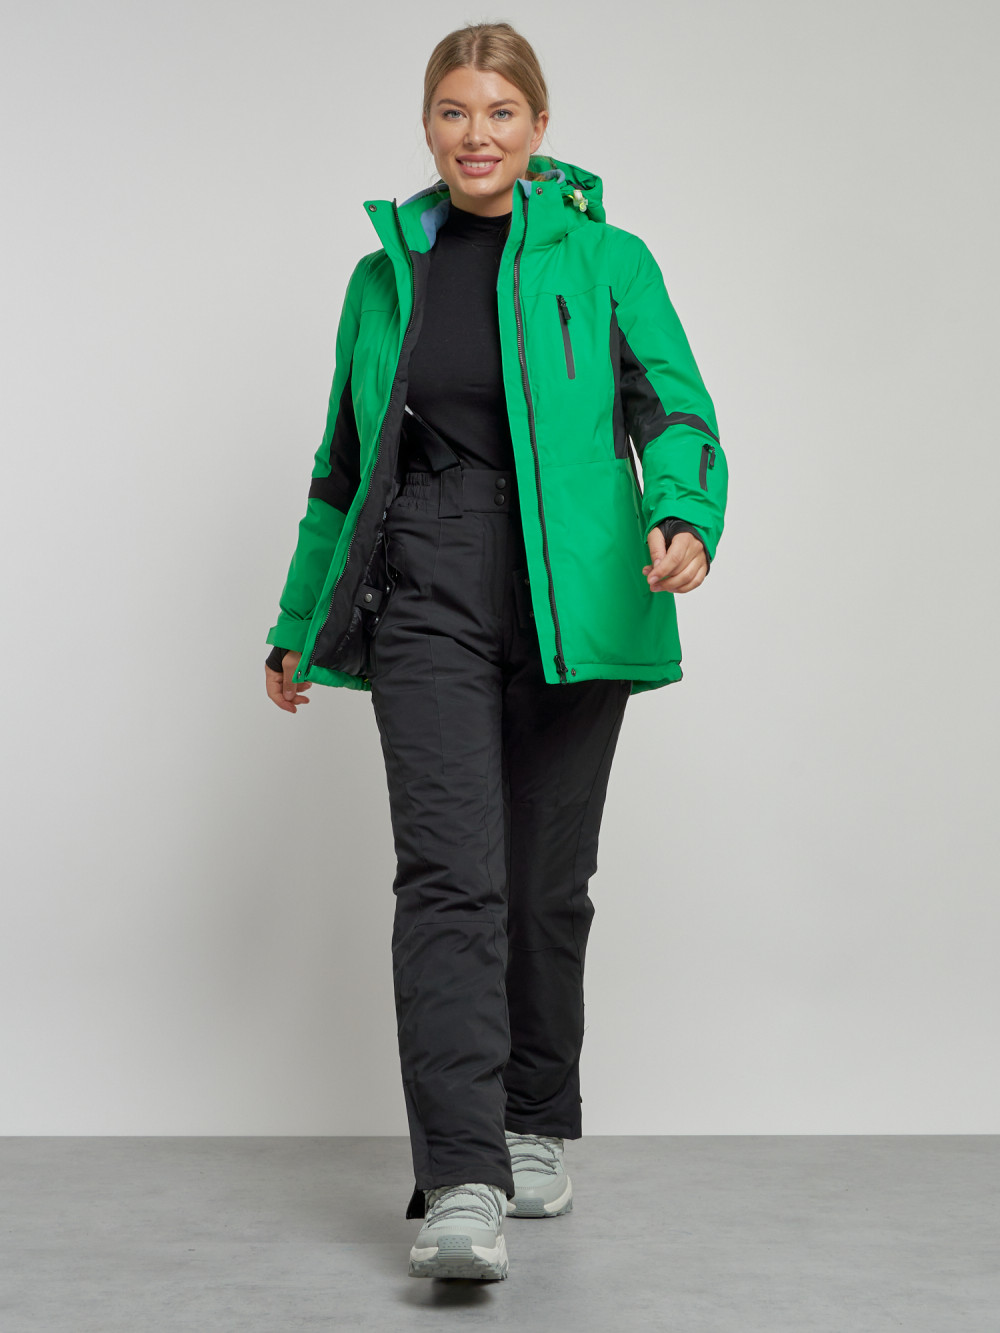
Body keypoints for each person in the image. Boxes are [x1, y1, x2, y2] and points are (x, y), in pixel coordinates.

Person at [263, 21, 728, 1282]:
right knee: (447, 878)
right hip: (427, 577)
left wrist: (685, 513)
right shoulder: (382, 279)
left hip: (578, 587)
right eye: (454, 112)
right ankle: (459, 1180)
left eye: (500, 112)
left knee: (543, 880)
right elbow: (341, 465)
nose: (477, 135)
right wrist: (298, 623)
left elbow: (674, 407)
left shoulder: (607, 258)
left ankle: (531, 1120)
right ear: (428, 124)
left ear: (538, 126)